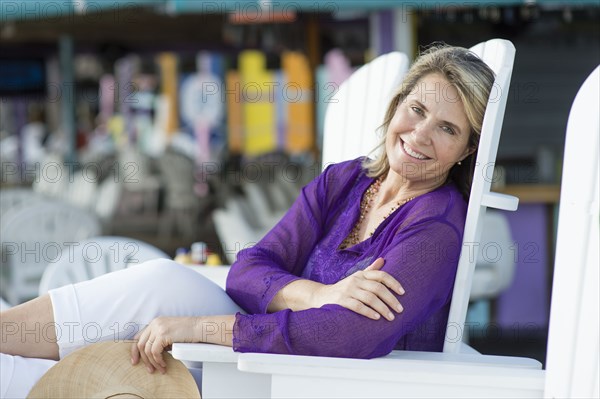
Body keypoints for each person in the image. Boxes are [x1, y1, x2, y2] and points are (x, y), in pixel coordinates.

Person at [0, 44, 495, 397]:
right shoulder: (345, 182)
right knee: (159, 285)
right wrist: (319, 294)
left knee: (154, 309)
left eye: (447, 128)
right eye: (417, 109)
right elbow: (250, 268)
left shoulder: (435, 227)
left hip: (322, 381)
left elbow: (349, 335)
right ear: (396, 107)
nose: (421, 134)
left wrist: (203, 328)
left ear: (465, 150)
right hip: (268, 355)